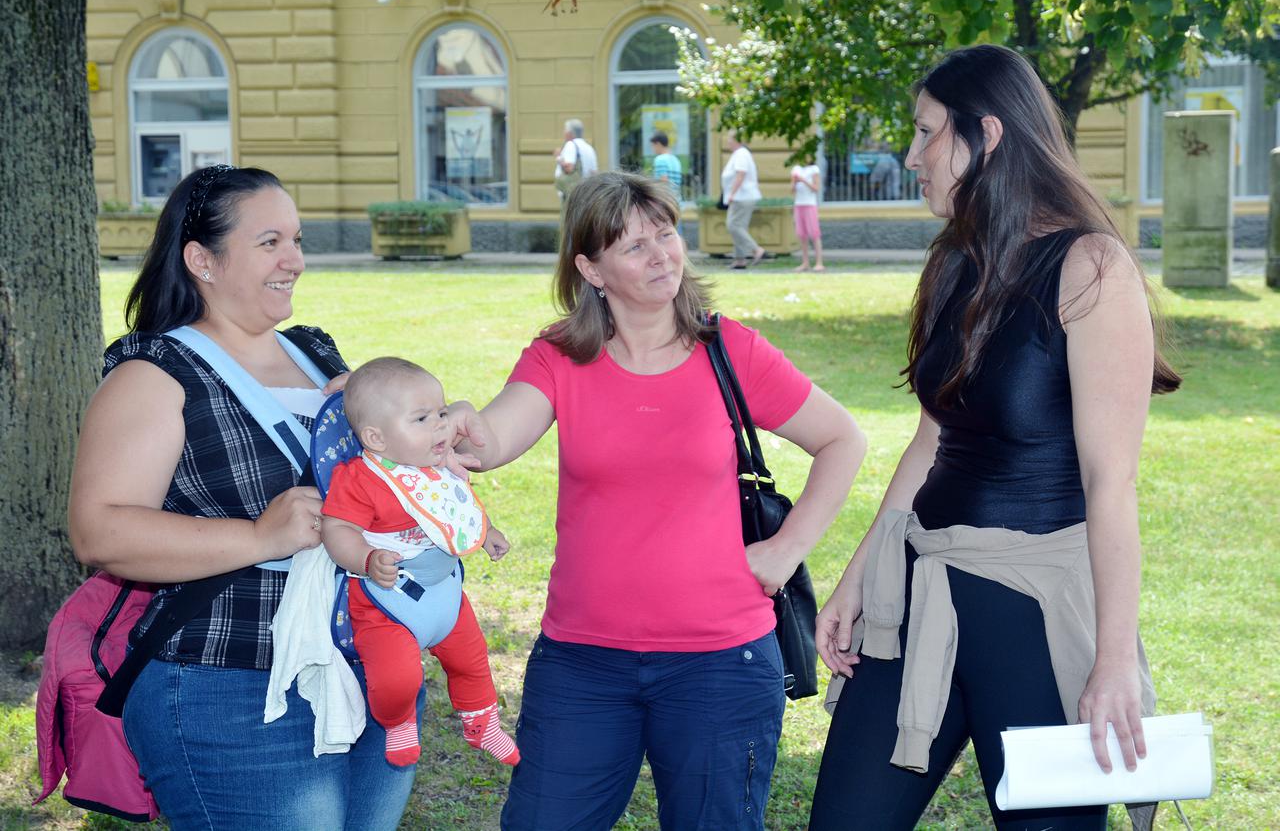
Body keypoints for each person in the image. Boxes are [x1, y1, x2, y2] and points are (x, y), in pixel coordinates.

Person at [808, 45, 1180, 830]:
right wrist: (855, 580)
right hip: (920, 589)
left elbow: (1111, 482)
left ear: (988, 133)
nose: (912, 156)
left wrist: (1113, 658)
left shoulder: (1090, 268)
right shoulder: (954, 262)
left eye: (925, 134)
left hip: (1035, 611)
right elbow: (928, 444)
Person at [450, 172, 867, 830]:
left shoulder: (730, 350)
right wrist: (470, 430)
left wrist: (787, 549)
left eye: (665, 233)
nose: (661, 254)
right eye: (633, 245)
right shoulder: (559, 355)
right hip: (582, 661)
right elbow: (499, 433)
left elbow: (843, 437)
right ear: (590, 267)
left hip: (722, 662)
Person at [67, 165, 420, 829]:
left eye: (296, 239)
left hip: (368, 670)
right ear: (201, 258)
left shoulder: (316, 355)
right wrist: (260, 537)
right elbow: (98, 531)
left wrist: (419, 435)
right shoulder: (156, 371)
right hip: (232, 686)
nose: (295, 260)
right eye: (269, 243)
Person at [321, 357, 520, 769]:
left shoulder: (436, 466)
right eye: (423, 418)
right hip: (386, 599)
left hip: (444, 592)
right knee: (397, 677)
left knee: (472, 658)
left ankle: (482, 721)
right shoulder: (361, 479)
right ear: (375, 438)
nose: (441, 427)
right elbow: (336, 529)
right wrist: (366, 557)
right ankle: (397, 721)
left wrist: (487, 533)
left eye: (443, 413)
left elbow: (455, 511)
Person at [722, 131, 764, 269]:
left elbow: (741, 174)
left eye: (729, 139)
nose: (728, 141)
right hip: (743, 196)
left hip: (741, 196)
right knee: (739, 227)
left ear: (736, 140)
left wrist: (731, 194)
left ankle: (755, 249)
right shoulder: (740, 154)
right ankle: (740, 260)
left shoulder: (741, 154)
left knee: (733, 225)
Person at [790, 158, 824, 272]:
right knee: (802, 234)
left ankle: (819, 262)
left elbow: (816, 188)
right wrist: (794, 182)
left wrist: (803, 180)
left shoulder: (814, 169)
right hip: (798, 204)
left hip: (810, 204)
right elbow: (792, 190)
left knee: (814, 234)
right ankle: (805, 262)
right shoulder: (796, 169)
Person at [553, 118, 599, 203]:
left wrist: (559, 158)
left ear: (570, 133)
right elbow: (594, 172)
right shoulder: (589, 148)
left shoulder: (571, 144)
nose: (564, 133)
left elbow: (569, 168)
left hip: (573, 193)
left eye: (565, 130)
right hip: (586, 193)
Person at [649, 131, 683, 200]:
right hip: (676, 200)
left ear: (658, 144)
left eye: (653, 145)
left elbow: (663, 181)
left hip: (666, 201)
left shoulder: (660, 159)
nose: (652, 149)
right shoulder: (676, 160)